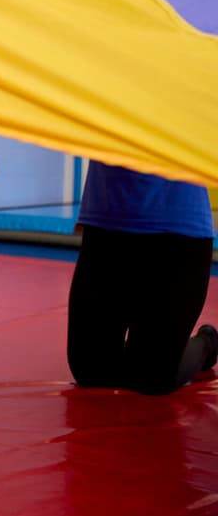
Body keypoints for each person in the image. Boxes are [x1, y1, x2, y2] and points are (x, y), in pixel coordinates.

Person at [67, 161, 218, 395]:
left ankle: (207, 342)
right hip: (107, 227)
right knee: (92, 370)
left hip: (178, 235)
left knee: (151, 377)